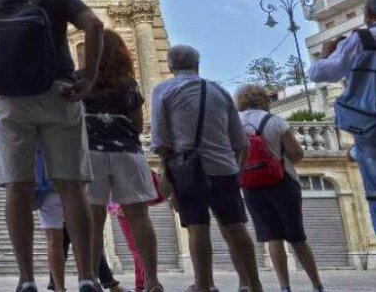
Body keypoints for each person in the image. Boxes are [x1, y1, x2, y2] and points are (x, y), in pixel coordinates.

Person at [0, 0, 105, 292]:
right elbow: (94, 25)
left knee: (18, 189)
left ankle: (26, 279)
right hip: (58, 93)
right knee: (72, 187)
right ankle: (87, 276)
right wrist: (89, 76)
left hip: (9, 101)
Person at [151, 45, 261, 292]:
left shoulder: (164, 90)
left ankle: (204, 285)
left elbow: (160, 141)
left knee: (197, 227)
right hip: (224, 168)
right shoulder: (219, 92)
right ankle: (254, 284)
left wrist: (167, 173)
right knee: (235, 226)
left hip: (188, 168)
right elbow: (240, 142)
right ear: (197, 65)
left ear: (170, 67)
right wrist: (237, 172)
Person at [83, 30, 162, 292]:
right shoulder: (128, 83)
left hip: (90, 153)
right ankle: (151, 280)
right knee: (139, 216)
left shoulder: (81, 80)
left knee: (93, 220)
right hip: (127, 152)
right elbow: (139, 124)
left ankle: (91, 280)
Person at [236, 84, 325, 292]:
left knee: (272, 237)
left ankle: (284, 286)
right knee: (297, 237)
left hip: (251, 185)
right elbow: (297, 154)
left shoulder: (234, 124)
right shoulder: (275, 121)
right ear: (262, 99)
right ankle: (316, 284)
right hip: (282, 183)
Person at [309, 0, 376, 236]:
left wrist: (326, 54)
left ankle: (357, 152)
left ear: (368, 15)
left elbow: (321, 74)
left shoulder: (362, 39)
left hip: (369, 126)